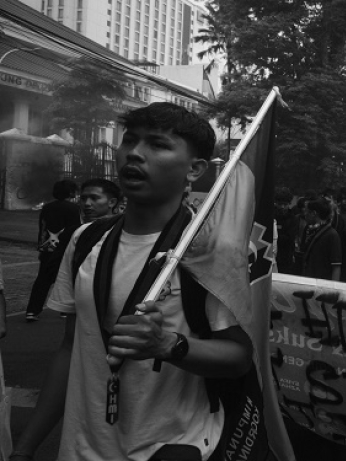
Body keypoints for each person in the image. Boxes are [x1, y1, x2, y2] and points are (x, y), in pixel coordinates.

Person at [10, 102, 252, 461]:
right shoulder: (86, 239)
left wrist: (169, 344)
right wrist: (25, 448)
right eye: (130, 141)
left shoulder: (210, 250)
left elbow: (239, 357)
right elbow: (72, 347)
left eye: (157, 144)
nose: (135, 154)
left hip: (169, 447)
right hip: (80, 447)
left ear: (195, 169)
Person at [25, 180, 81, 322]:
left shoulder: (47, 207)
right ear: (71, 192)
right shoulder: (74, 208)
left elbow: (43, 228)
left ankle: (32, 310)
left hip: (48, 248)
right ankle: (65, 309)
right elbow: (75, 230)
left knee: (42, 280)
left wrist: (42, 247)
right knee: (67, 279)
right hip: (65, 249)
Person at [301, 197, 342, 281]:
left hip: (322, 284)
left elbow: (336, 266)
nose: (305, 214)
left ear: (314, 213)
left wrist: (333, 288)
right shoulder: (308, 230)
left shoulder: (332, 235)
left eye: (307, 212)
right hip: (308, 280)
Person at [274, 187, 299, 274]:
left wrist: (275, 236)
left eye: (285, 204)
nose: (282, 207)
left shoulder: (293, 219)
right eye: (280, 204)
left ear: (289, 204)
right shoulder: (271, 216)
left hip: (285, 259)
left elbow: (289, 238)